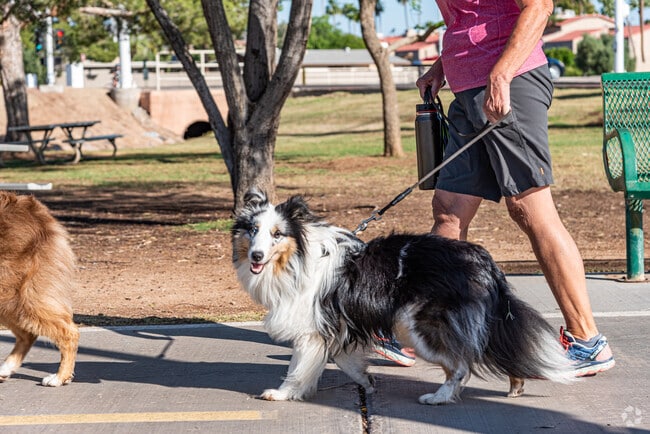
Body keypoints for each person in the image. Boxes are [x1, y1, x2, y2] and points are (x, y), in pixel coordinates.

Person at [410, 0, 614, 376]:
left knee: (529, 207)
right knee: (449, 209)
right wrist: (442, 66)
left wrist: (502, 73)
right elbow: (470, 18)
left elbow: (538, 6)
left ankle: (588, 340)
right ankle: (422, 332)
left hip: (509, 85)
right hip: (469, 87)